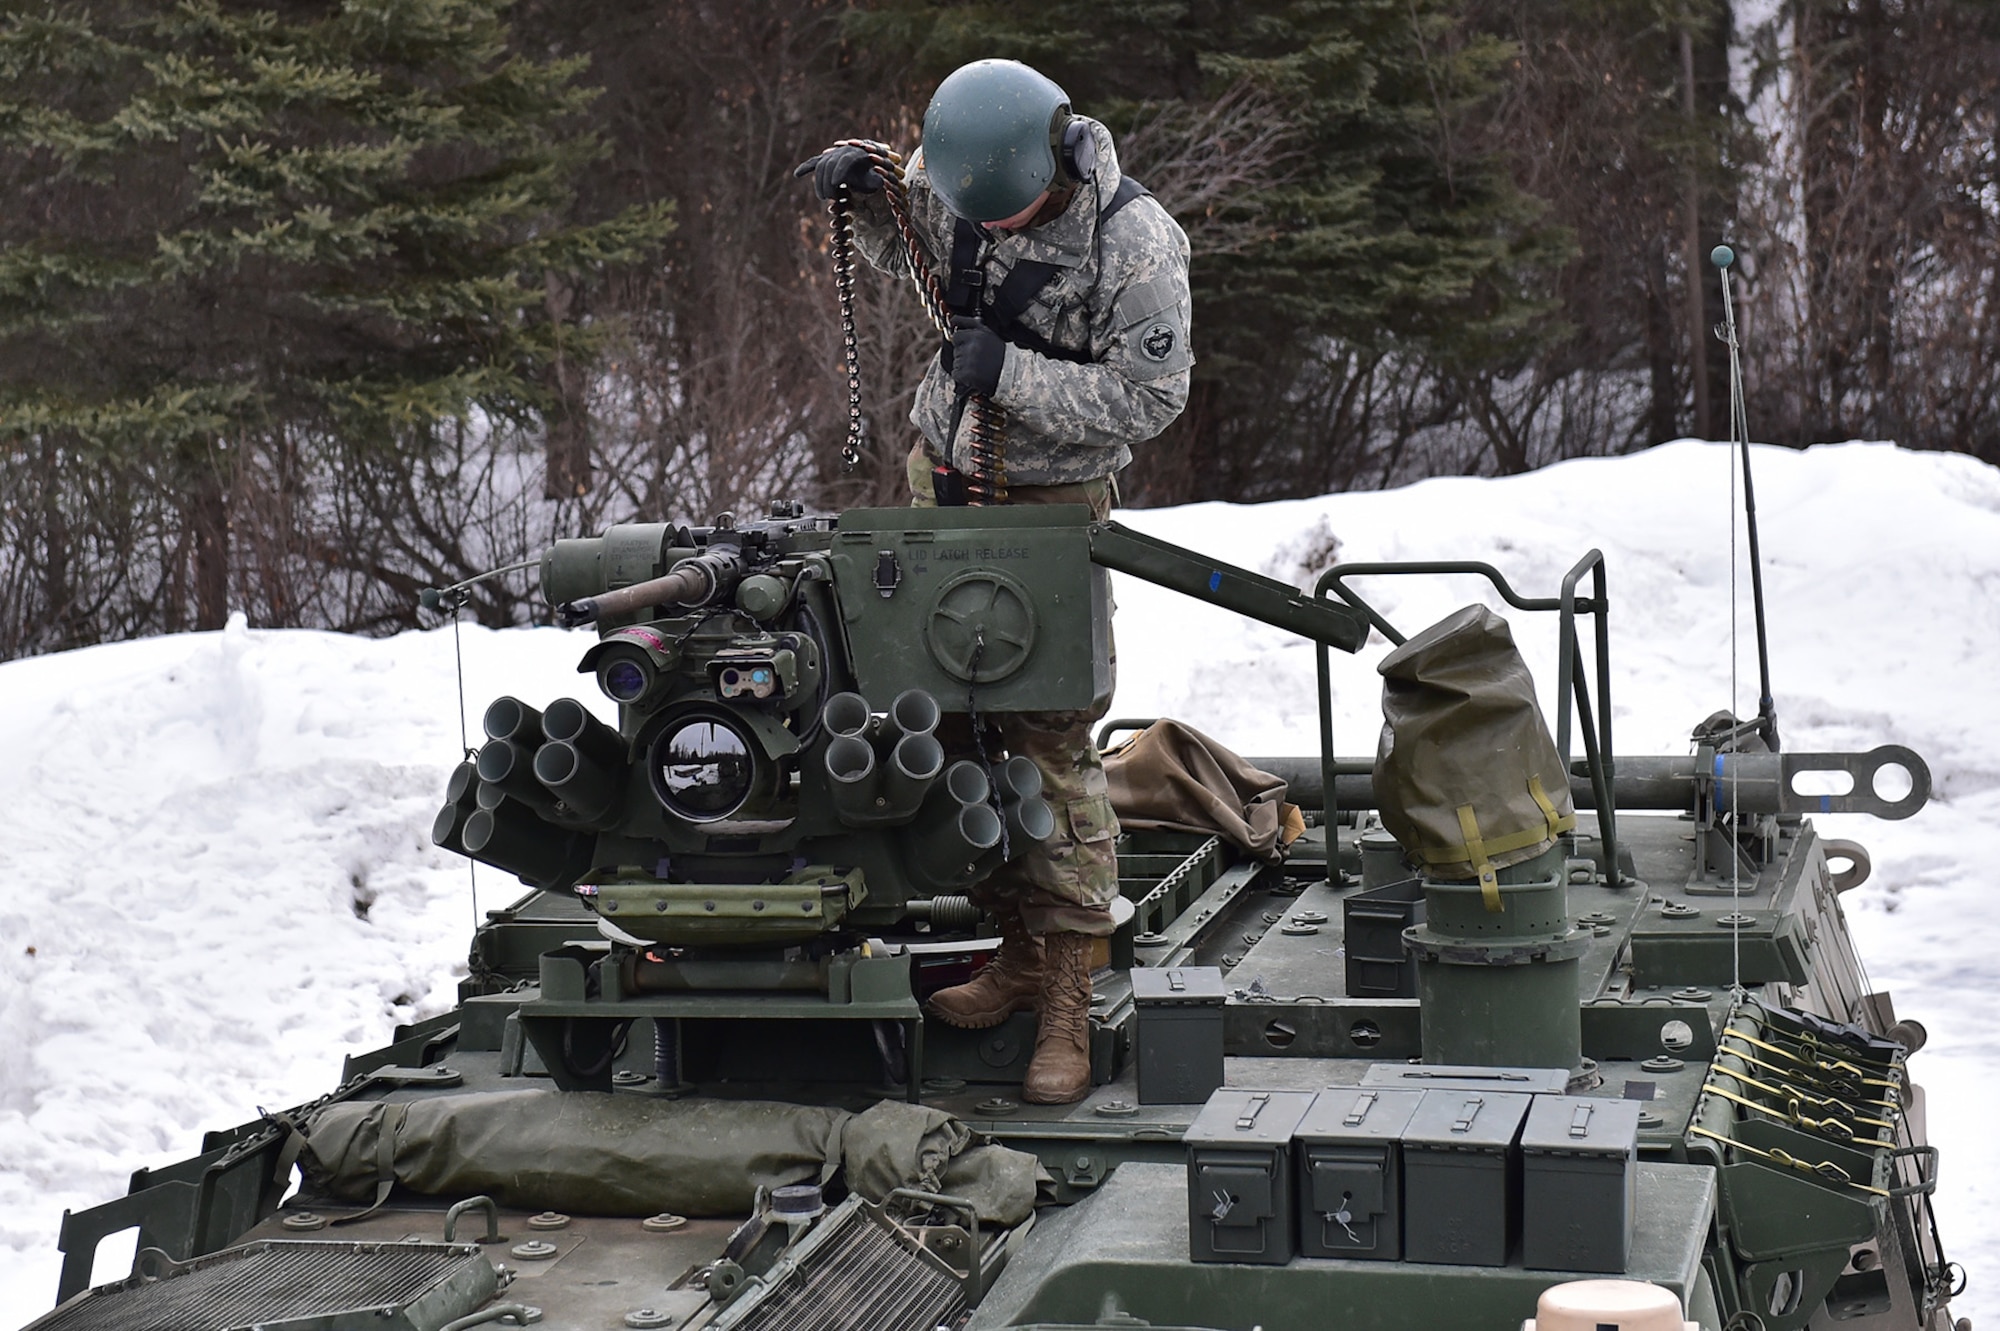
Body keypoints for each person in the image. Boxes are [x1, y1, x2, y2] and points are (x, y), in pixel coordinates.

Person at [800, 58, 1192, 1103]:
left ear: (1053, 162)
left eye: (1012, 213)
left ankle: (1067, 988)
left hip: (1050, 512)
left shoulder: (1136, 242)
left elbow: (1151, 397)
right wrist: (867, 196)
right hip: (945, 484)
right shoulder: (960, 175)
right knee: (954, 728)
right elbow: (913, 250)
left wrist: (1010, 376)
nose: (996, 229)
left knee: (1050, 743)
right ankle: (1014, 953)